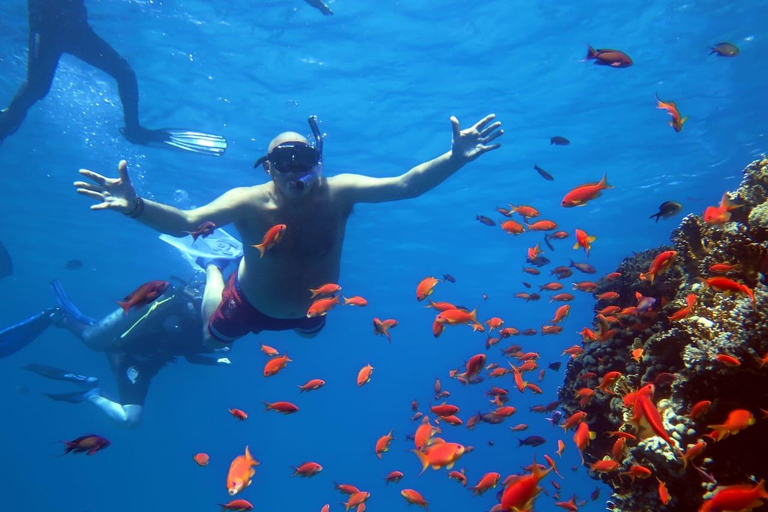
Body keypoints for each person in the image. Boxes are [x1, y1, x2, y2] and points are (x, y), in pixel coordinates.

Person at [74, 113, 504, 348]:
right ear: (269, 168)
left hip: (312, 310)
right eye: (283, 161)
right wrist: (134, 205)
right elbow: (188, 222)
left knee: (307, 333)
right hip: (247, 301)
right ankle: (214, 270)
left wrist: (455, 159)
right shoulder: (247, 200)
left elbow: (406, 185)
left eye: (302, 157)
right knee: (209, 340)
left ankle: (233, 267)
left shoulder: (340, 191)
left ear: (318, 158)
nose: (295, 169)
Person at [0, 274, 234, 428]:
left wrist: (216, 360)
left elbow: (190, 355)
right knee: (92, 340)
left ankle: (91, 391)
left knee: (130, 421)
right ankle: (56, 316)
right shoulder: (186, 309)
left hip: (143, 366)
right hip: (124, 349)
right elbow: (163, 327)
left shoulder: (213, 330)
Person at [0, 0, 227, 155]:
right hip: (49, 30)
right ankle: (7, 122)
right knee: (37, 88)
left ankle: (133, 129)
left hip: (75, 30)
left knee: (124, 73)